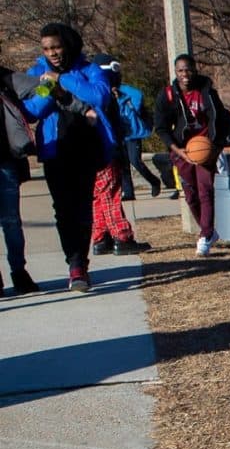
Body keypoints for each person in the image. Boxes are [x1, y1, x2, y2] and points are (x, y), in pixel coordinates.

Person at [24, 23, 116, 291]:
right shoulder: (38, 73)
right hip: (55, 150)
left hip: (86, 149)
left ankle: (80, 264)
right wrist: (48, 89)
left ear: (68, 45)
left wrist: (61, 80)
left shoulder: (89, 70)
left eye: (56, 47)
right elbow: (32, 111)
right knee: (63, 210)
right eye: (46, 49)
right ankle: (74, 264)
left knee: (82, 208)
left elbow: (99, 97)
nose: (52, 53)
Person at [154, 54, 230, 257]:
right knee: (191, 195)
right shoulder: (167, 96)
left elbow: (221, 120)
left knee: (205, 191)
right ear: (176, 72)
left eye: (189, 69)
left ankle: (205, 235)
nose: (185, 74)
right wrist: (177, 150)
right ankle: (209, 230)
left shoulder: (207, 93)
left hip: (204, 148)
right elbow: (161, 128)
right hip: (182, 150)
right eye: (181, 70)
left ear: (195, 69)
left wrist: (215, 148)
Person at [90, 54, 152, 256]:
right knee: (110, 195)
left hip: (93, 155)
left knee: (98, 197)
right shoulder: (104, 97)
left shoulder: (89, 94)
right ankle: (122, 237)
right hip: (106, 153)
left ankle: (100, 238)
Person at [0, 64, 42, 295]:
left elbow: (43, 87)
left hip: (5, 162)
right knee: (11, 222)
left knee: (11, 222)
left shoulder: (6, 79)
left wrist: (29, 109)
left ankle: (19, 271)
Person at [107, 75, 162, 202]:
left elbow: (138, 95)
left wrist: (120, 90)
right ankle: (129, 192)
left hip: (133, 134)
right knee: (123, 164)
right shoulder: (108, 96)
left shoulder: (125, 92)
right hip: (119, 134)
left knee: (135, 161)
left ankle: (154, 181)